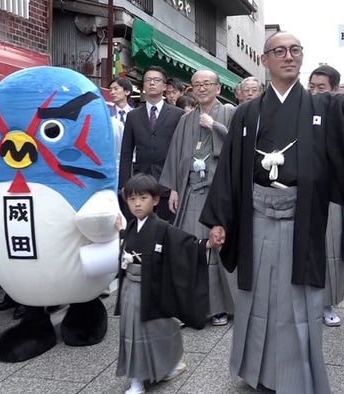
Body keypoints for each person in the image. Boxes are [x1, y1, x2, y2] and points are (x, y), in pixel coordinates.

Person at [199, 28, 344, 393]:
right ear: (264, 61)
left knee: (297, 300)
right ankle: (258, 371)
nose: (289, 56)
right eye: (279, 50)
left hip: (302, 216)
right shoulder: (248, 114)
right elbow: (230, 170)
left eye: (295, 50)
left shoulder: (323, 106)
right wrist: (219, 220)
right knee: (257, 298)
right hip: (256, 217)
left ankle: (294, 375)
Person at [115, 173, 214, 394]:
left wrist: (206, 245)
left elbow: (185, 244)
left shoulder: (162, 228)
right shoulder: (131, 227)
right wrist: (119, 232)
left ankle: (167, 366)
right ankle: (137, 379)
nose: (137, 204)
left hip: (155, 289)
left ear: (156, 199)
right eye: (132, 199)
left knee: (162, 330)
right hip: (133, 288)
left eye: (143, 198)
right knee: (134, 335)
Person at [160, 69, 236, 326]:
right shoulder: (186, 119)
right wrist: (173, 188)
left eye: (207, 84)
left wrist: (214, 126)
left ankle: (218, 308)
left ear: (218, 88)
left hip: (219, 193)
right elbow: (175, 154)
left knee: (217, 246)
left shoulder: (230, 112)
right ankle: (189, 306)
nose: (202, 88)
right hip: (191, 190)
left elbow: (240, 147)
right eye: (197, 85)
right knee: (190, 247)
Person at [306, 64, 344, 327]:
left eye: (321, 88)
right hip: (302, 191)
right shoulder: (299, 110)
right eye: (311, 87)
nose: (315, 92)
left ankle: (327, 303)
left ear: (335, 89)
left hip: (334, 193)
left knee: (331, 249)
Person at [119, 66, 185, 223]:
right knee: (140, 227)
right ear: (143, 85)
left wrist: (177, 185)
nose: (152, 83)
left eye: (156, 80)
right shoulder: (133, 116)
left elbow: (182, 151)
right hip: (141, 181)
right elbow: (126, 151)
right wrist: (124, 183)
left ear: (164, 86)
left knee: (166, 228)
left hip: (167, 183)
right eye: (148, 80)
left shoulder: (177, 114)